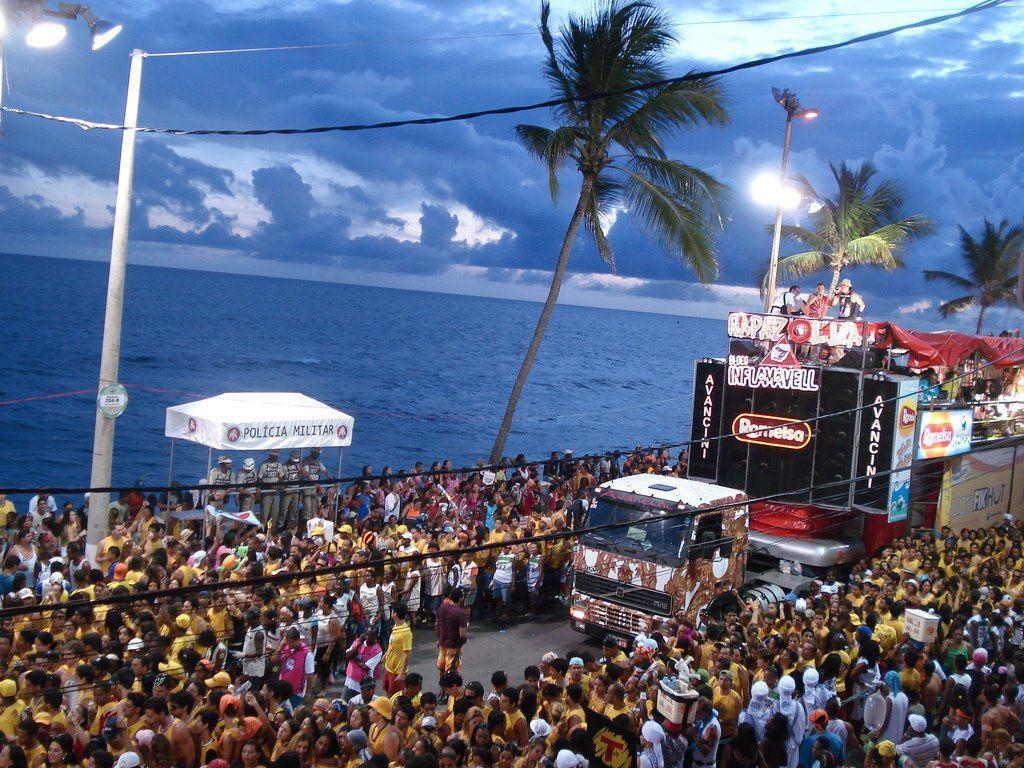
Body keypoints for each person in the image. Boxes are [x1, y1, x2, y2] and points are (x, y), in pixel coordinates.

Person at [435, 587, 468, 686]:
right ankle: (448, 692)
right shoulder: (461, 613)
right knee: (451, 671)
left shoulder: (442, 607)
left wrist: (438, 639)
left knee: (441, 668)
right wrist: (464, 640)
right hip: (454, 647)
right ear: (461, 599)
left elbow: (436, 625)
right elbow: (462, 634)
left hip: (442, 644)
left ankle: (442, 690)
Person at [258, 450, 284, 525]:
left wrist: (281, 485)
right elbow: (259, 479)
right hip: (266, 493)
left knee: (274, 513)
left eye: (276, 457)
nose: (275, 458)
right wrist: (269, 486)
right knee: (264, 514)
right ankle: (262, 530)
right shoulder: (263, 465)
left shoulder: (279, 465)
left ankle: (272, 531)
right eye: (274, 456)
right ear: (270, 456)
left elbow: (281, 477)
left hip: (276, 493)